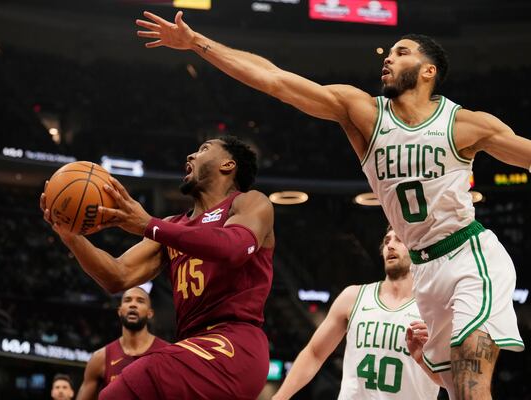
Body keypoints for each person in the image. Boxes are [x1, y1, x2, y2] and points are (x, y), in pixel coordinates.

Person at [135, 12, 527, 399]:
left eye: (401, 52)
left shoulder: (467, 125)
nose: (387, 58)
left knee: (473, 384)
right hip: (425, 269)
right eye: (387, 52)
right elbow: (275, 80)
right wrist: (197, 43)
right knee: (457, 392)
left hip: (468, 255)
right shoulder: (364, 113)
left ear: (428, 72)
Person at [40, 136, 275, 399]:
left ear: (228, 165)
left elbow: (232, 248)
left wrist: (149, 225)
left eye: (204, 149)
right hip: (193, 344)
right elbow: (117, 276)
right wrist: (71, 237)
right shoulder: (173, 225)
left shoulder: (249, 203)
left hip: (235, 345)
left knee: (138, 378)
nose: (190, 156)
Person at [272, 227, 440, 399]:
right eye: (387, 241)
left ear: (418, 249)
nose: (390, 245)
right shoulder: (353, 297)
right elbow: (314, 354)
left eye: (398, 240)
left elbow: (452, 376)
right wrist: (279, 398)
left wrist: (430, 359)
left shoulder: (435, 308)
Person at [76, 286, 169, 400]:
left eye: (140, 301)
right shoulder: (100, 358)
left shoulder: (167, 354)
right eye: (127, 300)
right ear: (120, 311)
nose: (133, 305)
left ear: (150, 313)